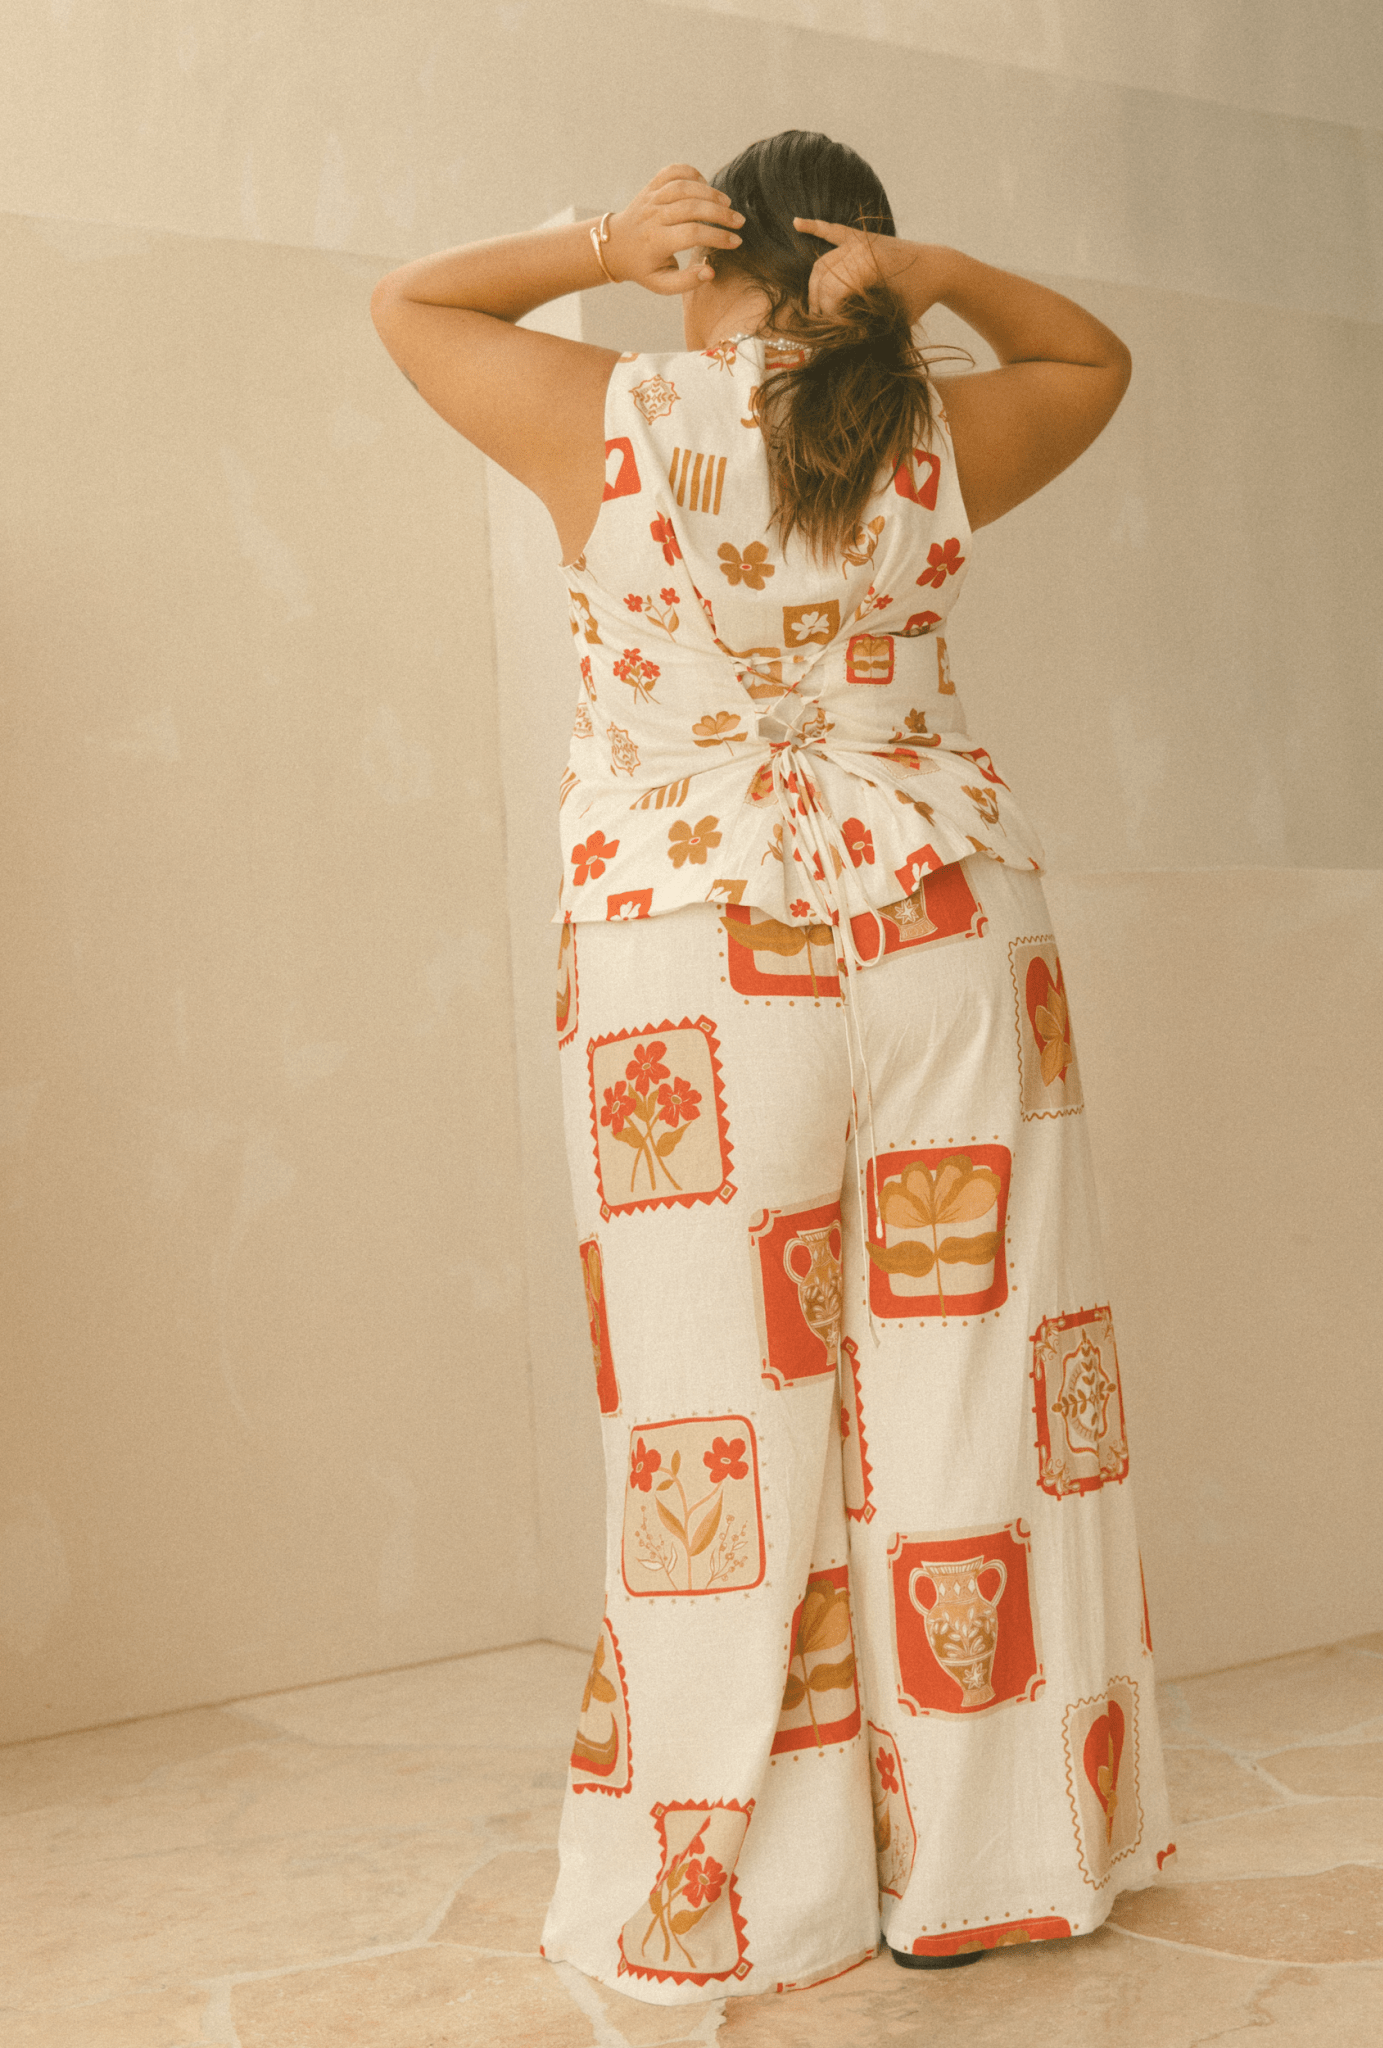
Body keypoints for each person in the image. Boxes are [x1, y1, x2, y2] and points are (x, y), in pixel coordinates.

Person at [371, 129, 1173, 2006]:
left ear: (708, 256)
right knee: (974, 1380)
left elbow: (407, 303)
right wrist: (938, 278)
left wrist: (599, 242)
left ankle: (733, 1890)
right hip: (943, 924)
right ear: (864, 267)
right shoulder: (934, 432)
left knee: (711, 1424)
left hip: (690, 951)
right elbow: (1093, 359)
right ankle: (989, 1866)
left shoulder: (609, 413)